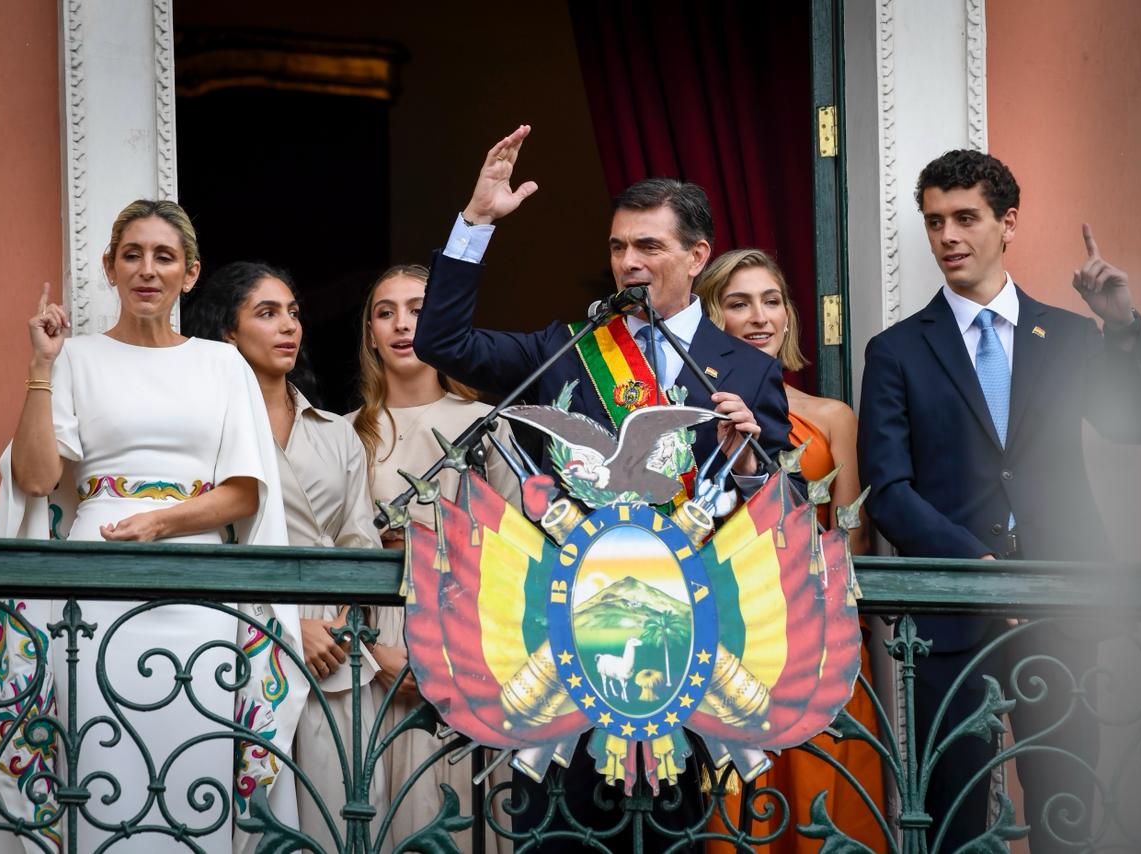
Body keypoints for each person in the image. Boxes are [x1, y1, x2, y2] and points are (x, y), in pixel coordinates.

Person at [412, 125, 796, 851]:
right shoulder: (565, 350)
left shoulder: (743, 369)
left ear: (696, 256)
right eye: (619, 247)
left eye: (649, 247)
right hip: (562, 634)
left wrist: (747, 463)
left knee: (670, 837)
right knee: (554, 833)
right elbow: (443, 345)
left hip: (683, 643)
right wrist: (475, 226)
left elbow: (778, 513)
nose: (629, 263)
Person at [0, 200, 307, 853]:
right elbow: (40, 478)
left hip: (200, 592)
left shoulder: (222, 365)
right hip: (94, 591)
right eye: (132, 254)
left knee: (197, 763)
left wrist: (163, 523)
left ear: (190, 272)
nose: (147, 270)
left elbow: (244, 492)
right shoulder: (76, 359)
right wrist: (42, 365)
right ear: (109, 267)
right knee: (97, 763)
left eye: (164, 256)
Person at [857, 150, 1141, 852]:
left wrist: (1122, 326)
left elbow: (1135, 425)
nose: (948, 237)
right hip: (953, 614)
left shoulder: (1073, 337)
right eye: (935, 222)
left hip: (1064, 609)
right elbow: (890, 494)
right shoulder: (896, 352)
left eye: (966, 218)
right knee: (951, 815)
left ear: (1008, 223)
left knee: (1065, 808)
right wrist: (985, 566)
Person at [182, 260, 386, 851]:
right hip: (242, 635)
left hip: (335, 651)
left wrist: (342, 629)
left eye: (293, 312)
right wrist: (291, 625)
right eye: (267, 313)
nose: (288, 326)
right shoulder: (203, 429)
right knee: (250, 821)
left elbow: (358, 544)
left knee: (332, 815)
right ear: (227, 332)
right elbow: (210, 547)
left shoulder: (337, 431)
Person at [696, 248, 885, 853]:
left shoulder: (831, 417)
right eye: (738, 303)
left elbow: (853, 535)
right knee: (740, 814)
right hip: (729, 638)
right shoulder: (696, 416)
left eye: (771, 301)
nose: (759, 317)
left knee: (829, 802)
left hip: (818, 632)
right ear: (712, 318)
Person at [348, 264, 519, 852]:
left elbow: (514, 545)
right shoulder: (345, 434)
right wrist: (370, 650)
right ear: (369, 332)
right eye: (385, 311)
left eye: (419, 308)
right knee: (368, 799)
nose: (402, 325)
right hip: (368, 642)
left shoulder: (483, 426)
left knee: (445, 807)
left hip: (459, 636)